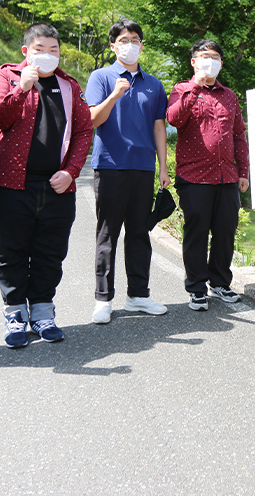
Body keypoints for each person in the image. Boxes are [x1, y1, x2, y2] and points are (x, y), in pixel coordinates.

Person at [0, 23, 93, 347]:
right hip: (11, 185)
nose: (47, 56)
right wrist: (21, 89)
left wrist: (72, 171)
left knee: (50, 253)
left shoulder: (69, 86)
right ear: (25, 52)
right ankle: (16, 314)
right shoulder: (8, 76)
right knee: (12, 253)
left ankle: (43, 312)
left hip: (57, 188)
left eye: (53, 50)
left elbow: (84, 131)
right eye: (40, 49)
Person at [86, 19, 170, 324]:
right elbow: (93, 119)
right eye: (123, 39)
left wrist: (163, 167)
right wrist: (114, 95)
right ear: (113, 46)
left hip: (143, 167)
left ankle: (138, 295)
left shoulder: (154, 84)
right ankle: (102, 299)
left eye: (135, 39)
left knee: (139, 233)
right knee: (107, 233)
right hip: (110, 165)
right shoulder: (101, 77)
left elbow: (158, 126)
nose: (129, 44)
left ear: (142, 45)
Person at [166, 39, 249, 311]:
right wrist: (195, 86)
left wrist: (243, 171)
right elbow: (174, 119)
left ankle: (221, 283)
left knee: (225, 232)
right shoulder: (182, 89)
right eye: (203, 57)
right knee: (197, 233)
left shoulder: (230, 96)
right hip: (194, 177)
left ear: (221, 63)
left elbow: (238, 135)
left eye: (214, 57)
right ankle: (197, 287)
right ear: (193, 61)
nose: (209, 61)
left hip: (227, 176)